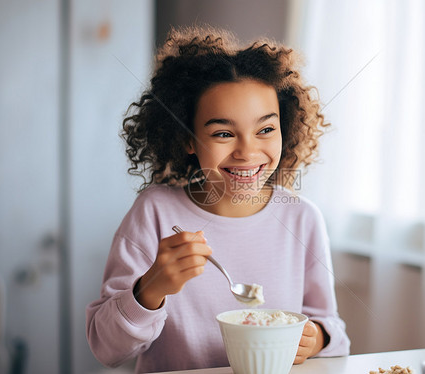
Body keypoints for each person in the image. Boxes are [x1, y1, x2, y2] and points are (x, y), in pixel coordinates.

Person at [86, 26, 350, 373]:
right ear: (187, 140)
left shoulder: (303, 218)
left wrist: (317, 337)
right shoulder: (154, 212)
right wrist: (150, 289)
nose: (247, 151)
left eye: (266, 129)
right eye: (223, 133)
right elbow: (107, 349)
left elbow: (333, 332)